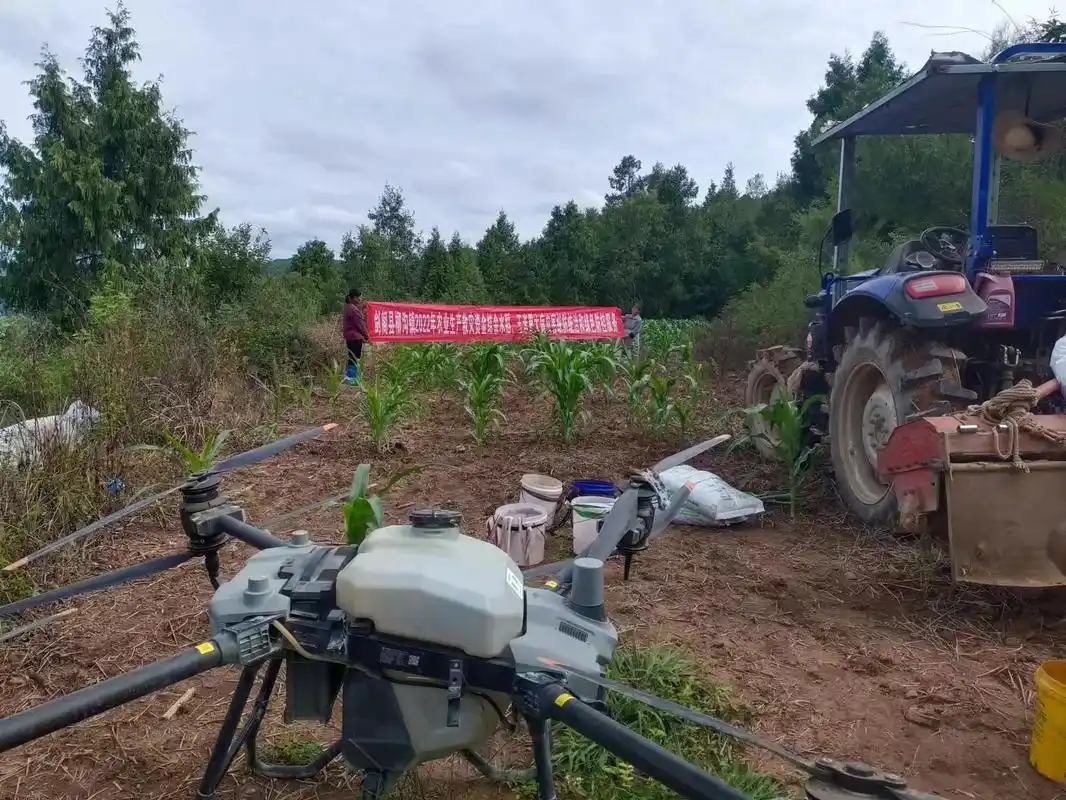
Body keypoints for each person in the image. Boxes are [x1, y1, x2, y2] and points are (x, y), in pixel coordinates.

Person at [342, 289, 369, 384]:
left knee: (351, 357)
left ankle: (349, 377)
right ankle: (352, 379)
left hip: (349, 337)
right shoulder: (354, 309)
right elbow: (360, 324)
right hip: (355, 337)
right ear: (354, 298)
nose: (361, 299)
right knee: (354, 358)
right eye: (359, 297)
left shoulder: (347, 307)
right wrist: (367, 336)